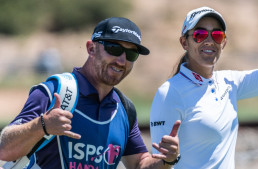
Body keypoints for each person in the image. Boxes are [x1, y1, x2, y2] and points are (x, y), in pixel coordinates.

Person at [0, 17, 180, 169]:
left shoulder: (124, 109)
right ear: (91, 48)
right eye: (114, 49)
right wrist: (42, 126)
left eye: (131, 54)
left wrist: (167, 160)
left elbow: (139, 163)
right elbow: (5, 150)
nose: (121, 60)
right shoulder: (56, 90)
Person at [150, 0, 258, 168]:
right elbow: (159, 164)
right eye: (200, 35)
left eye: (217, 35)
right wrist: (167, 160)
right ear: (184, 42)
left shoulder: (229, 82)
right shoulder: (169, 92)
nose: (210, 41)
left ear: (224, 43)